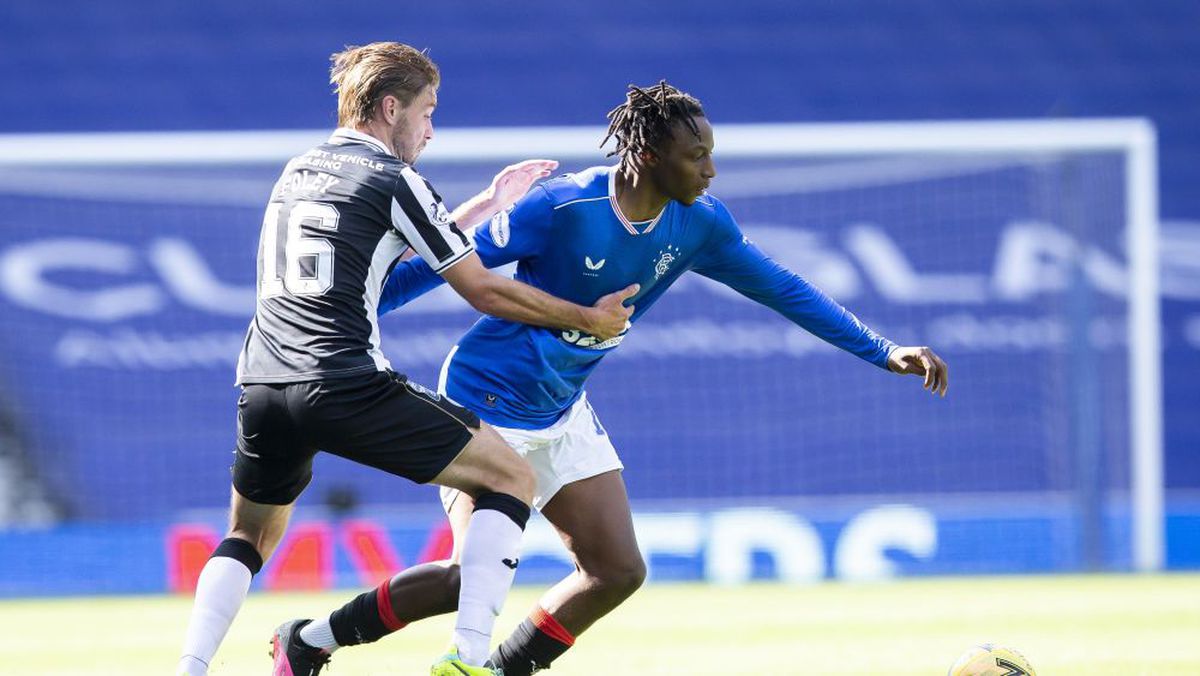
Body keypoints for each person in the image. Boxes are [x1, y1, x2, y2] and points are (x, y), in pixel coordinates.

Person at [277, 81, 949, 675]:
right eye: (697, 156)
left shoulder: (699, 224)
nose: (710, 170)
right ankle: (309, 641)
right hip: (486, 397)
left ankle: (503, 670)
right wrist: (367, 303)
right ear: (647, 156)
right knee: (467, 578)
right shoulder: (559, 208)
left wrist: (882, 350)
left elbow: (782, 287)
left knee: (616, 571)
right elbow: (445, 267)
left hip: (562, 407)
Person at [175, 42, 638, 676]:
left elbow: (394, 255)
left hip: (261, 379)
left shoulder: (298, 170)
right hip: (343, 381)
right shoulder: (396, 179)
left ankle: (191, 666)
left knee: (247, 537)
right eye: (426, 112)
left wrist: (485, 205)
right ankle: (470, 659)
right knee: (511, 478)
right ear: (390, 107)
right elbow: (482, 288)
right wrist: (590, 319)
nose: (429, 130)